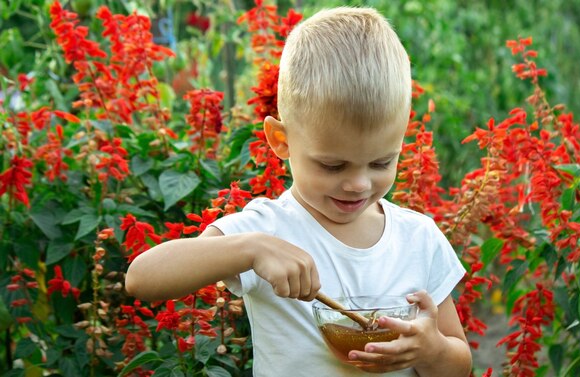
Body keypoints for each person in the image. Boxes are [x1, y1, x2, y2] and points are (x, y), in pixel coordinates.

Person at [126, 6, 472, 377]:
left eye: (381, 163)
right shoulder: (270, 228)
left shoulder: (417, 238)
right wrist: (251, 249)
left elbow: (458, 365)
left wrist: (431, 350)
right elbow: (142, 278)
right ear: (280, 140)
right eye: (332, 166)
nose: (358, 183)